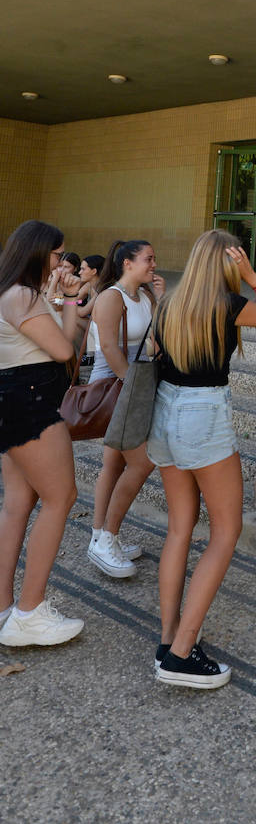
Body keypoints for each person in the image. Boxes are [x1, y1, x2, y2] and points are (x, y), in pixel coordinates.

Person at [148, 229, 256, 688]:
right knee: (225, 531)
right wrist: (253, 276)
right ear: (228, 265)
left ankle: (169, 636)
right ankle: (182, 652)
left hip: (165, 411)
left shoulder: (170, 303)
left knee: (179, 527)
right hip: (204, 414)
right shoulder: (227, 305)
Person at [0, 221, 85, 648]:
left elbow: (65, 341)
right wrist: (59, 296)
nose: (62, 262)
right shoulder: (22, 294)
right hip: (29, 403)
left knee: (17, 505)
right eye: (57, 254)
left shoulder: (14, 293)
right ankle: (30, 613)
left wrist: (68, 297)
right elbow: (66, 352)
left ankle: (4, 610)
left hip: (14, 401)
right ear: (37, 252)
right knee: (60, 498)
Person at [86, 240, 165, 579]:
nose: (153, 264)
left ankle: (100, 536)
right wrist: (131, 385)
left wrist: (160, 300)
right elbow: (106, 346)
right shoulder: (110, 297)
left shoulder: (145, 297)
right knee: (141, 460)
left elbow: (156, 339)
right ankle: (105, 538)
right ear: (127, 263)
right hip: (116, 383)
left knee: (115, 462)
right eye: (148, 259)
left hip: (136, 383)